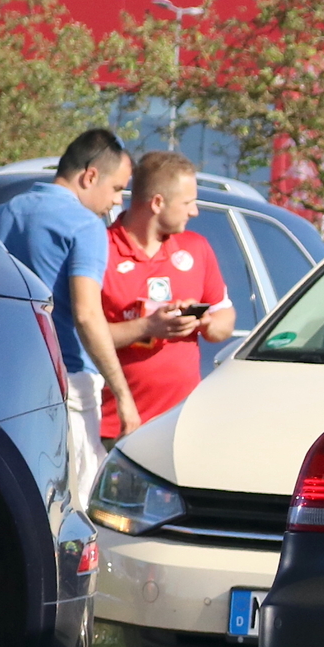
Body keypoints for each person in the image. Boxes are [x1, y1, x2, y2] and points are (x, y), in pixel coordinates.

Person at [0, 128, 129, 500]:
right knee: (76, 501)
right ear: (90, 175)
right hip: (68, 379)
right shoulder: (86, 225)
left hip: (6, 375)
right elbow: (87, 314)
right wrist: (122, 395)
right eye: (116, 189)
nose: (115, 203)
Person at [90, 150, 233, 442]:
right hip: (114, 427)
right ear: (157, 202)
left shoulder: (196, 248)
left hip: (180, 426)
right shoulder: (99, 250)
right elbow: (84, 331)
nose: (195, 212)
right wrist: (147, 327)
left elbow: (224, 321)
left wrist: (201, 319)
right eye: (188, 203)